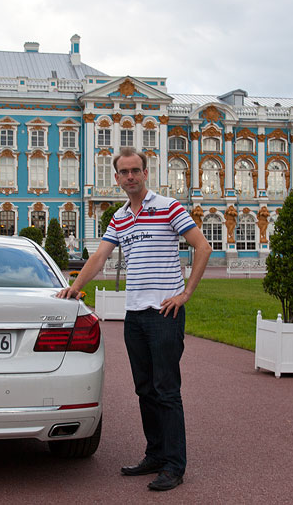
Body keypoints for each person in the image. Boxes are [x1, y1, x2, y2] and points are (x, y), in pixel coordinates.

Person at [56, 148, 211, 492]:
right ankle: (155, 455)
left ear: (145, 172)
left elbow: (202, 247)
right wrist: (75, 287)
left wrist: (185, 294)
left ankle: (174, 464)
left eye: (135, 171)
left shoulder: (168, 206)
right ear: (116, 177)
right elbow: (100, 256)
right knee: (144, 390)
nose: (130, 177)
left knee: (166, 391)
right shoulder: (121, 217)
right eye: (124, 172)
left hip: (164, 314)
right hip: (134, 316)